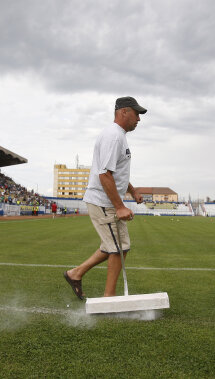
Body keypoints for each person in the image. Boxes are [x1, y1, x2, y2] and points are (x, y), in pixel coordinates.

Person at [63, 96, 146, 300]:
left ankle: (76, 273)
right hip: (103, 202)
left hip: (108, 202)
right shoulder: (113, 136)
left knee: (117, 246)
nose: (139, 119)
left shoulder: (119, 136)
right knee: (118, 248)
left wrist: (132, 191)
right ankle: (109, 297)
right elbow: (104, 174)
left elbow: (116, 172)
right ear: (123, 112)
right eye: (136, 114)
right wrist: (119, 206)